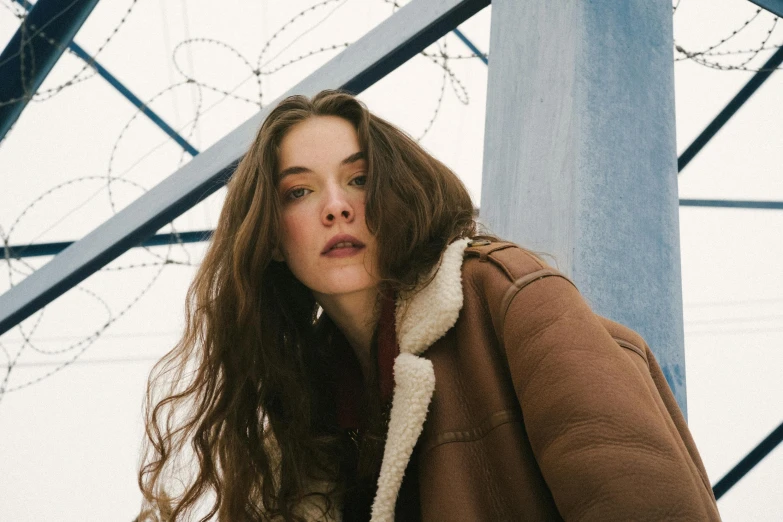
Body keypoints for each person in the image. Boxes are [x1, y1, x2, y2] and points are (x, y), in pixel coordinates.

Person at [138, 90, 721, 521]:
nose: (337, 207)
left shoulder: (506, 293)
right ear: (268, 237)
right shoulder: (295, 429)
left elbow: (643, 500)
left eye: (359, 180)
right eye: (300, 192)